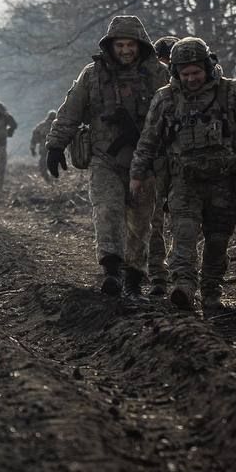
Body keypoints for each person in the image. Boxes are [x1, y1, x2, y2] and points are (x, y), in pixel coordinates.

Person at [130, 37, 236, 315]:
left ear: (207, 67)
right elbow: (148, 140)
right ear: (176, 72)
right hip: (184, 181)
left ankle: (212, 292)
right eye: (185, 74)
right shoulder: (165, 98)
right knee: (184, 236)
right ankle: (184, 287)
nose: (191, 78)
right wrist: (137, 174)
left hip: (224, 181)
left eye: (196, 72)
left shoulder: (230, 92)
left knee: (218, 240)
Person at [44, 15, 165, 297]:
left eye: (130, 45)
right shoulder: (93, 75)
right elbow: (70, 111)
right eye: (120, 45)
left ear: (140, 45)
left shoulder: (158, 75)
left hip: (146, 161)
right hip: (104, 157)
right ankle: (112, 270)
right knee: (107, 210)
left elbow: (175, 110)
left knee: (140, 221)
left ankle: (134, 277)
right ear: (110, 46)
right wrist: (55, 145)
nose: (125, 50)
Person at [146, 35, 181, 296]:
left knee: (184, 220)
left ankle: (181, 272)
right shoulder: (150, 84)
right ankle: (158, 273)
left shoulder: (197, 83)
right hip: (157, 160)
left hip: (184, 162)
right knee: (153, 218)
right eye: (164, 61)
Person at [0, 102, 18, 193]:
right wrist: (9, 132)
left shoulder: (5, 117)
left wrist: (9, 132)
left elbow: (14, 125)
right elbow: (14, 125)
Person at [29, 109, 57, 182]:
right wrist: (32, 148)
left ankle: (51, 179)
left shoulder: (43, 125)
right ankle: (49, 179)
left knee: (46, 164)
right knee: (45, 164)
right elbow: (34, 136)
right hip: (48, 147)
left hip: (50, 147)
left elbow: (34, 137)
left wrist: (32, 148)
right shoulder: (55, 125)